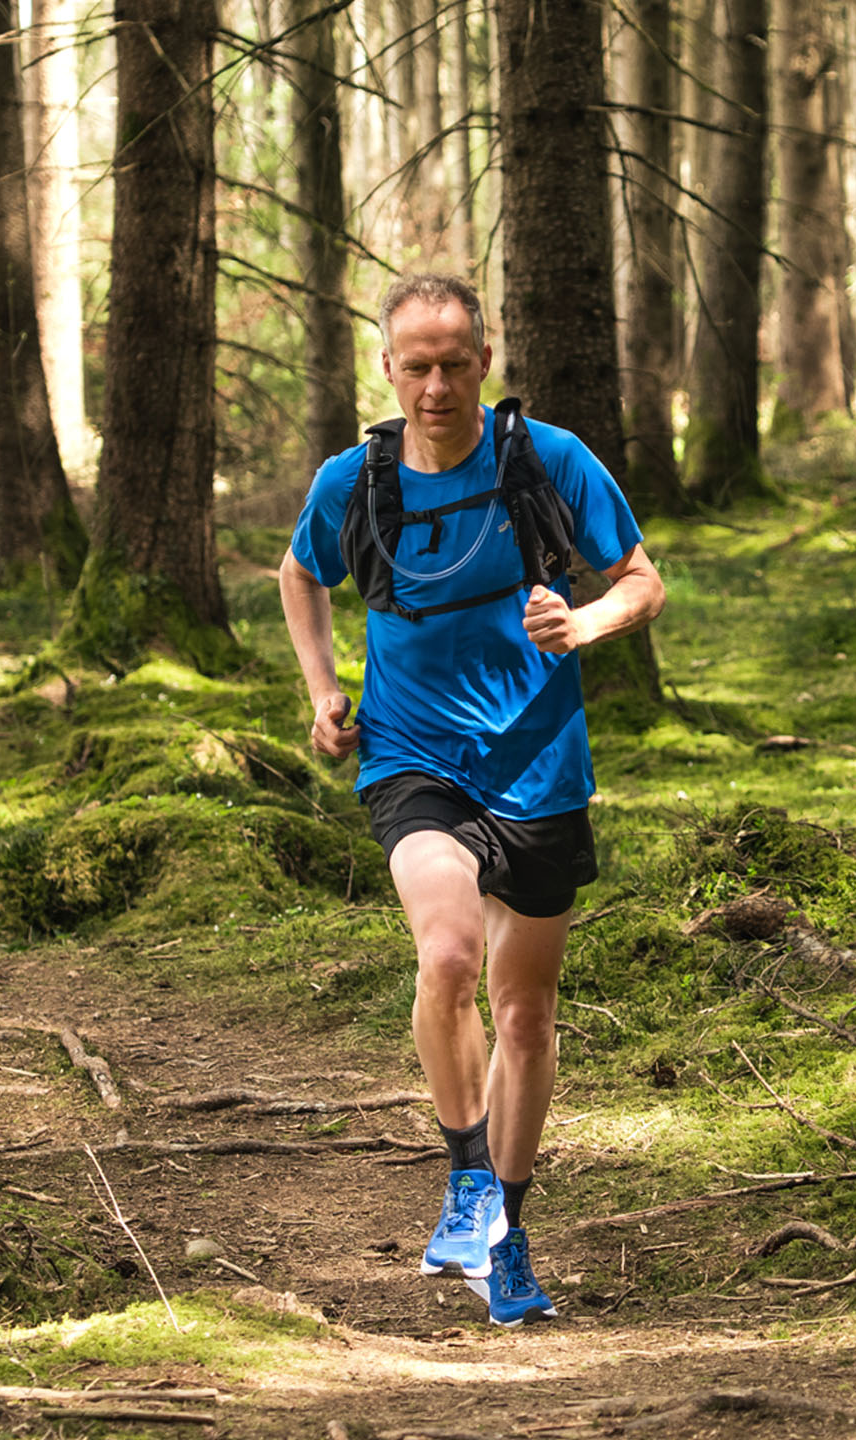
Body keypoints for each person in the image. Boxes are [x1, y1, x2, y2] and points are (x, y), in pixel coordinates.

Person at [278, 273, 665, 1326]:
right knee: (447, 952)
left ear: (484, 363)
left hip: (540, 768)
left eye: (455, 362)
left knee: (526, 1013)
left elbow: (641, 578)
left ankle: (509, 1232)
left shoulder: (550, 463)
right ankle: (466, 1179)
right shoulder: (354, 482)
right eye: (418, 365)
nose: (437, 383)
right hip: (412, 759)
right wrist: (322, 690)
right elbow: (299, 574)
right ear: (389, 369)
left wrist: (587, 625)